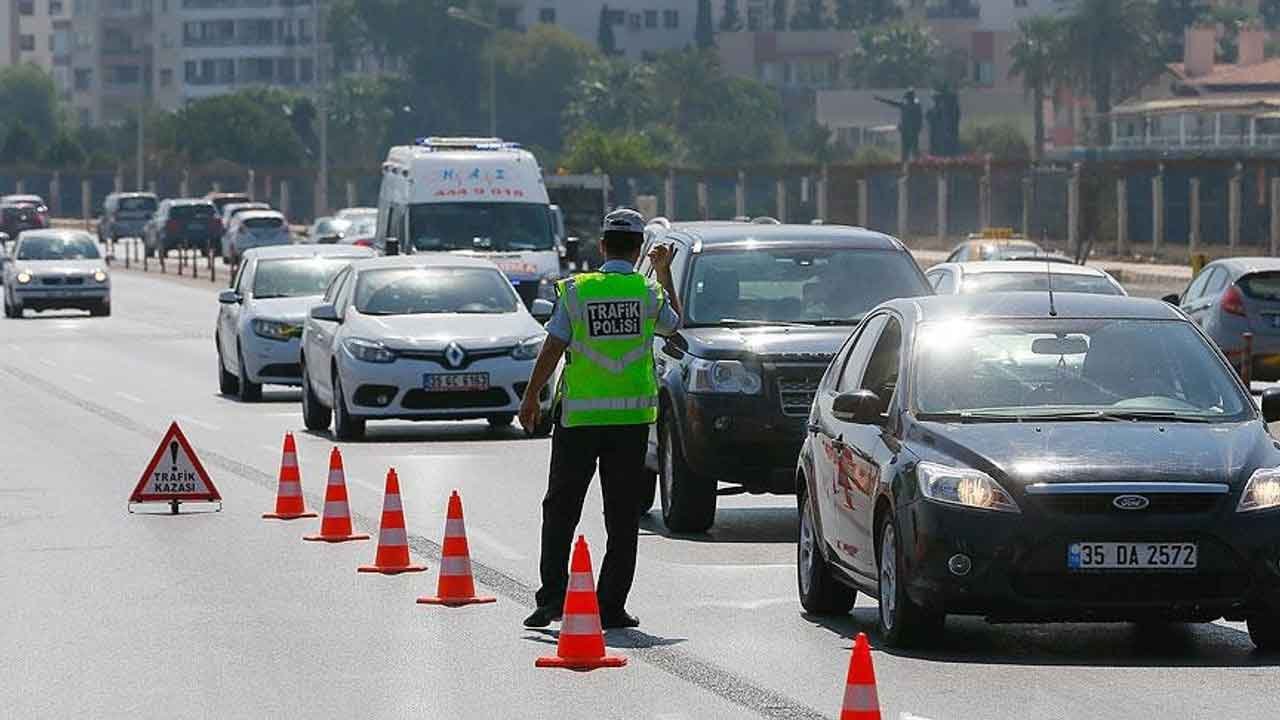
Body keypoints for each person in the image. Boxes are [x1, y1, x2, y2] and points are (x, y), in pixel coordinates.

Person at [518, 208, 682, 630]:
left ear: (603, 246)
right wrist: (663, 272)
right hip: (628, 424)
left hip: (578, 422)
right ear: (640, 249)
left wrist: (531, 396)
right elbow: (674, 326)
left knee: (560, 511)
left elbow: (553, 346)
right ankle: (610, 606)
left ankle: (552, 599)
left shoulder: (576, 291)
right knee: (622, 517)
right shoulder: (647, 291)